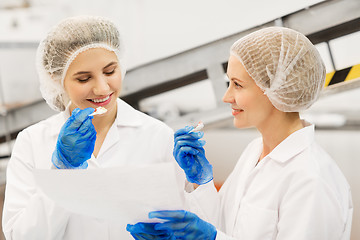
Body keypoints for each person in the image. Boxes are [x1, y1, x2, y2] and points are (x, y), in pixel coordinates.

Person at [126, 27, 353, 239]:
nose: (226, 97)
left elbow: (216, 235)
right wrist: (201, 183)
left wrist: (210, 237)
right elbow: (223, 224)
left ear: (274, 87)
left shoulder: (311, 180)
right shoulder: (254, 151)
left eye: (237, 84)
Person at [2, 15, 192, 239]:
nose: (102, 89)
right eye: (84, 79)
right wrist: (63, 171)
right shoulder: (33, 142)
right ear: (56, 78)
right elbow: (20, 235)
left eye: (110, 72)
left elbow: (183, 223)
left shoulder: (157, 135)